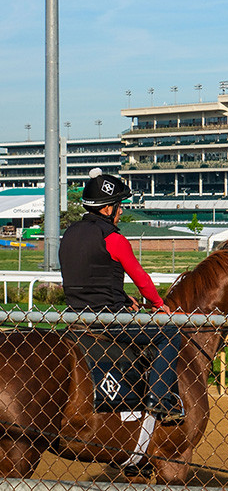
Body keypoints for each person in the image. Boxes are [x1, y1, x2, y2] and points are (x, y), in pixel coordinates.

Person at [59, 168, 184, 425]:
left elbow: (92, 278)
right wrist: (159, 305)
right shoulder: (113, 237)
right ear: (107, 209)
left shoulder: (69, 233)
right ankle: (159, 400)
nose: (121, 211)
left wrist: (126, 300)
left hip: (74, 316)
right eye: (119, 206)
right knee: (170, 332)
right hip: (108, 321)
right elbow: (142, 280)